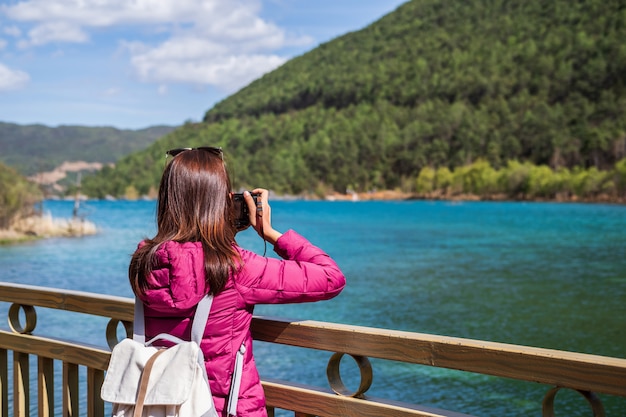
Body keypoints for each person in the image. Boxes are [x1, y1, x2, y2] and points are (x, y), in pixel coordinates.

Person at [128, 147, 346, 417]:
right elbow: (330, 278)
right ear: (220, 202)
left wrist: (221, 231)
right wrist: (269, 233)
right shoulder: (235, 268)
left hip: (160, 406)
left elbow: (190, 259)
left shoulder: (144, 262)